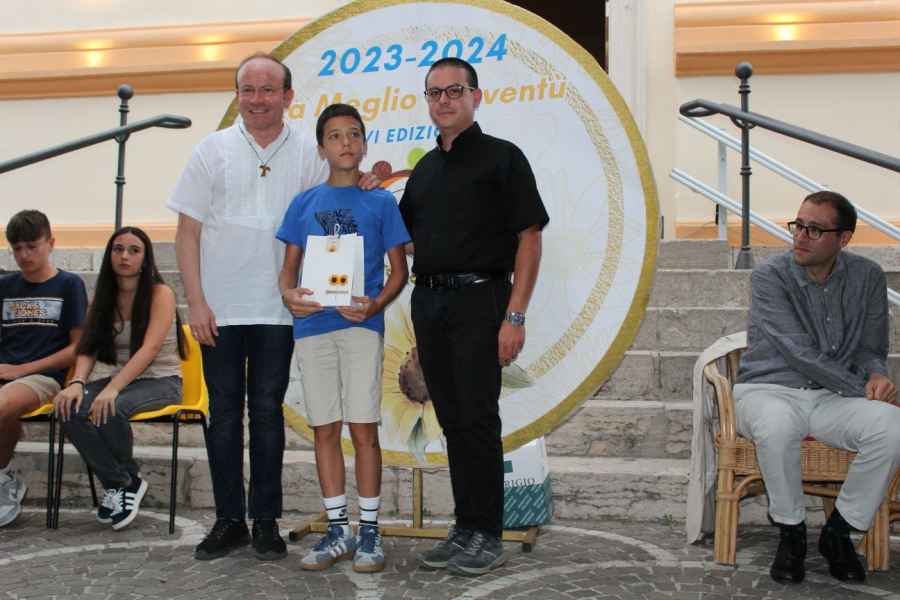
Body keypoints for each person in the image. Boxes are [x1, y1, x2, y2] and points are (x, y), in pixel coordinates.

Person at [168, 52, 378, 561]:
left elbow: (340, 193)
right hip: (219, 310)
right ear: (237, 95)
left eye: (268, 90)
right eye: (248, 90)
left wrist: (368, 180)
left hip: (284, 309)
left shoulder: (309, 150)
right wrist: (196, 301)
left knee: (266, 414)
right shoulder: (211, 150)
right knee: (223, 416)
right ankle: (227, 520)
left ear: (287, 96)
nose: (257, 100)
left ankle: (265, 521)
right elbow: (187, 232)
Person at [399, 57, 549, 576]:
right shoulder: (424, 170)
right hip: (429, 303)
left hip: (481, 302)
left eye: (454, 91)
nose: (444, 100)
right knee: (452, 419)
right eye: (434, 93)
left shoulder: (504, 158)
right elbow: (407, 239)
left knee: (479, 419)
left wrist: (515, 316)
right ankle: (465, 529)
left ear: (475, 97)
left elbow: (529, 238)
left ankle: (486, 533)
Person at [735, 190, 900, 584]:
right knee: (776, 426)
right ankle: (791, 532)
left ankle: (839, 532)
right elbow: (800, 353)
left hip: (832, 397)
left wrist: (876, 374)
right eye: (798, 225)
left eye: (814, 229)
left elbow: (871, 348)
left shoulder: (867, 277)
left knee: (891, 427)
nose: (800, 236)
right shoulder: (770, 276)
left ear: (843, 238)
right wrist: (860, 387)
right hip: (769, 390)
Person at [277, 103, 409, 573]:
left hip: (360, 327)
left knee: (363, 428)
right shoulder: (303, 204)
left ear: (365, 144)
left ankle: (369, 531)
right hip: (313, 329)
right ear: (321, 148)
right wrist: (289, 295)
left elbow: (399, 271)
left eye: (354, 134)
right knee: (325, 428)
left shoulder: (381, 202)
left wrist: (374, 305)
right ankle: (338, 530)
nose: (345, 143)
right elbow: (288, 272)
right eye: (334, 136)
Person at [54, 227, 186, 530]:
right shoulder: (103, 296)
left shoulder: (160, 294)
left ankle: (123, 484)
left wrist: (112, 388)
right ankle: (123, 482)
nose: (124, 256)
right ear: (109, 255)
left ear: (145, 259)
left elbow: (150, 349)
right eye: (118, 249)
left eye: (134, 250)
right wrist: (77, 383)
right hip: (123, 379)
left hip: (162, 380)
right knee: (68, 408)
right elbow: (88, 347)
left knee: (110, 406)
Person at [0, 210, 87, 527]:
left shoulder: (69, 284)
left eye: (32, 246)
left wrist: (22, 369)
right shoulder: (5, 285)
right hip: (6, 371)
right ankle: (4, 476)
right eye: (17, 248)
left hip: (44, 376)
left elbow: (77, 348)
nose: (24, 255)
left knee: (3, 403)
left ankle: (3, 479)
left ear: (51, 243)